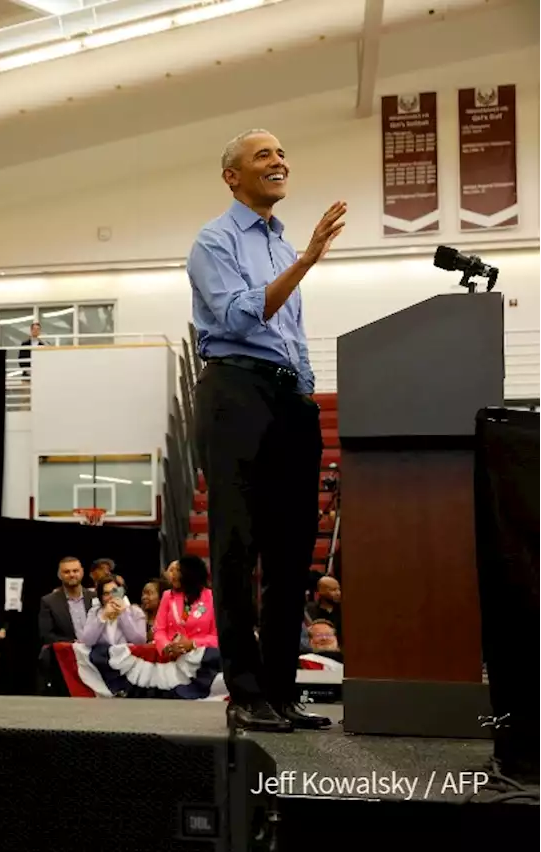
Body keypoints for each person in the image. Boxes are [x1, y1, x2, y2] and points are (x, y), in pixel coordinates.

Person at [188, 128, 345, 733]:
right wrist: (307, 260)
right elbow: (238, 314)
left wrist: (303, 391)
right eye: (263, 155)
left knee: (289, 553)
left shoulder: (282, 245)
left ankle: (280, 692)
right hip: (235, 392)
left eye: (282, 152)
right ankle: (247, 694)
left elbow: (291, 333)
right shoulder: (214, 240)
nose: (279, 161)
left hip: (287, 397)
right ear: (233, 176)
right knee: (235, 548)